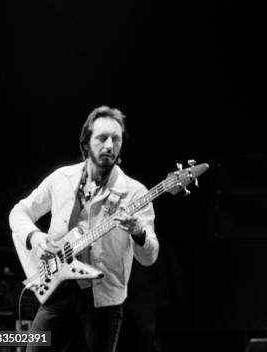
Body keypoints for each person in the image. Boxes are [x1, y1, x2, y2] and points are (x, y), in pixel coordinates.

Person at [9, 105, 159, 352]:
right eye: (102, 138)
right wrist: (35, 237)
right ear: (86, 142)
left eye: (116, 139)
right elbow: (19, 212)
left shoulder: (134, 192)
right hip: (57, 289)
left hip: (103, 300)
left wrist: (139, 232)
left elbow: (149, 256)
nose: (109, 145)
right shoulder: (60, 179)